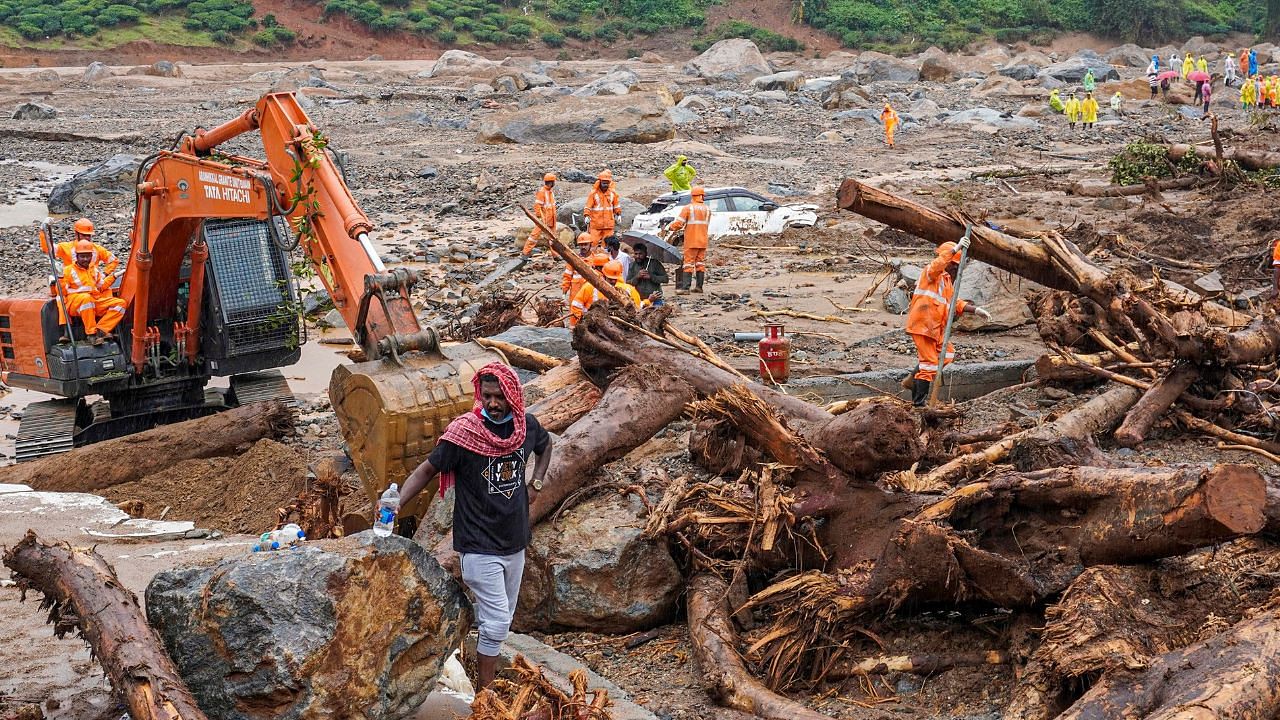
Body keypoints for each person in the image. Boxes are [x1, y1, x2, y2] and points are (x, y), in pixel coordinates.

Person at [397, 363, 552, 691]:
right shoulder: (464, 434)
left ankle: (472, 667)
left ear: (513, 396)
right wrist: (397, 503)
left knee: (501, 622)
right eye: (487, 396)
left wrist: (536, 481)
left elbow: (545, 444)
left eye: (499, 397)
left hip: (515, 542)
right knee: (496, 624)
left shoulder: (524, 427)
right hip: (479, 546)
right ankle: (486, 696)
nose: (493, 403)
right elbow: (427, 471)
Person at [905, 240, 990, 406]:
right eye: (955, 265)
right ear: (949, 261)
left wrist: (975, 310)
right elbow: (937, 265)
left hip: (936, 329)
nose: (956, 269)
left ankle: (914, 378)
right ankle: (919, 403)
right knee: (929, 364)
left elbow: (955, 303)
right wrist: (955, 249)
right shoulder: (930, 274)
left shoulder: (947, 282)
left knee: (948, 354)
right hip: (923, 326)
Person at [60, 239, 127, 345]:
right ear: (76, 256)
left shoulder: (93, 270)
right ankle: (91, 335)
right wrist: (60, 279)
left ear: (91, 256)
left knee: (120, 304)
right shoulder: (68, 270)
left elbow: (102, 285)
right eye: (82, 256)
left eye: (88, 256)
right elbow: (62, 291)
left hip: (93, 300)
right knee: (86, 298)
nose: (85, 259)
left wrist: (114, 276)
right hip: (74, 304)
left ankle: (101, 330)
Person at [664, 185, 711, 294]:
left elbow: (679, 224)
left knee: (688, 264)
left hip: (692, 240)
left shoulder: (688, 208)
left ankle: (685, 288)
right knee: (700, 263)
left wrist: (670, 227)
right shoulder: (707, 209)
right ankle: (699, 287)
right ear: (701, 196)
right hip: (703, 240)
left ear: (693, 196)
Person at [569, 259, 642, 326]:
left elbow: (637, 309)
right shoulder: (590, 287)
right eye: (610, 279)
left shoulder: (628, 289)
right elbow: (576, 305)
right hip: (592, 325)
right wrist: (580, 323)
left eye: (615, 279)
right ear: (604, 275)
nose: (613, 281)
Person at [46, 218, 118, 274]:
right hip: (72, 285)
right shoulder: (66, 248)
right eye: (84, 235)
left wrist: (104, 274)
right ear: (76, 234)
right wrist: (43, 230)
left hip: (92, 285)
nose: (87, 238)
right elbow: (47, 249)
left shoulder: (97, 249)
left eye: (88, 235)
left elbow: (113, 260)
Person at [582, 170, 621, 251]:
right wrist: (586, 215)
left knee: (607, 245)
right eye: (604, 183)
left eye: (607, 183)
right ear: (599, 182)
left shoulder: (612, 193)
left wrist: (618, 214)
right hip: (596, 224)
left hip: (608, 224)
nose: (605, 185)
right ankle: (591, 260)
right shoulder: (593, 194)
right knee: (593, 243)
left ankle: (605, 259)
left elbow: (616, 205)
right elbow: (588, 206)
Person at [521, 173, 557, 258]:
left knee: (553, 238)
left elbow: (551, 206)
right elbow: (537, 206)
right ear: (551, 182)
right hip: (543, 219)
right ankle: (525, 252)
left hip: (551, 219)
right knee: (534, 236)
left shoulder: (550, 192)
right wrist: (540, 217)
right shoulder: (542, 192)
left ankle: (555, 254)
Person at [625, 241, 668, 306]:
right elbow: (628, 283)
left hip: (655, 298)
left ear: (645, 253)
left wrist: (651, 276)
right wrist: (637, 276)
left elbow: (665, 279)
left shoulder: (655, 263)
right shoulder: (632, 265)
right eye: (636, 254)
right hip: (639, 299)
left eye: (640, 254)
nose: (638, 256)